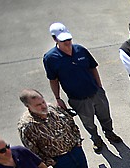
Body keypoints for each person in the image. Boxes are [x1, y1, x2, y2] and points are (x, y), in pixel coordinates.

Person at [43, 23, 122, 154]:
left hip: (96, 93)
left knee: (105, 117)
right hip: (78, 99)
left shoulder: (81, 50)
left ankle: (109, 133)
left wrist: (100, 87)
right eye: (63, 41)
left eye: (69, 39)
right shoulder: (50, 58)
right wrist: (58, 98)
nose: (68, 43)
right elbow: (53, 80)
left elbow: (93, 68)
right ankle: (96, 140)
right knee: (88, 123)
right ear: (55, 39)